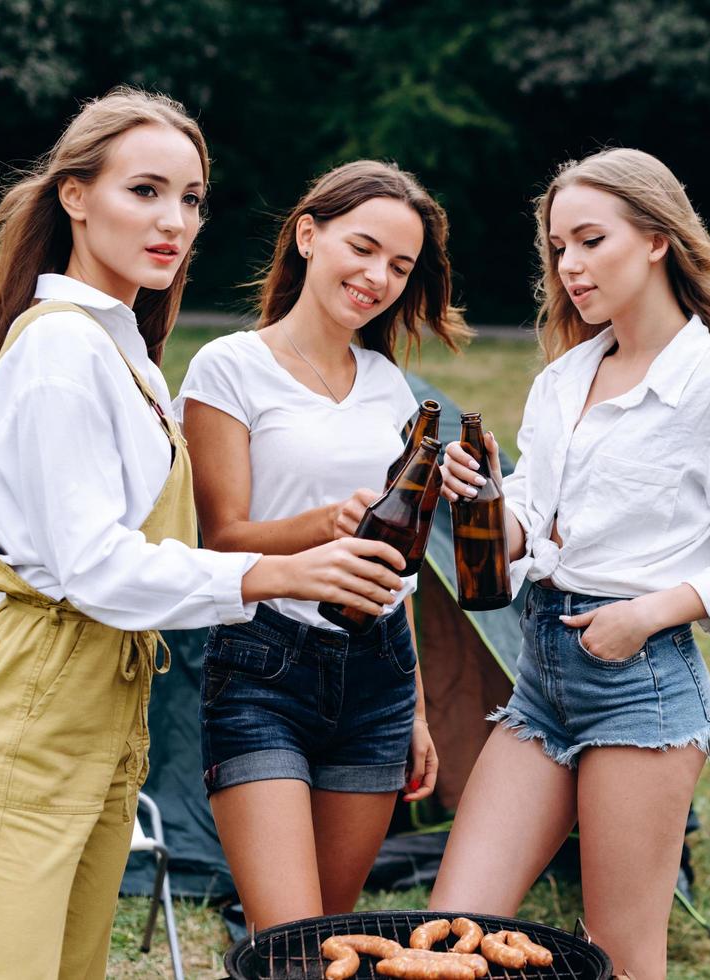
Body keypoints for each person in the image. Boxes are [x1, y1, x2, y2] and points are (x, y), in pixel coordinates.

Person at [0, 88, 406, 980]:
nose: (174, 221)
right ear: (75, 195)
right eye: (144, 191)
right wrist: (279, 573)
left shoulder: (126, 348)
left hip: (110, 697)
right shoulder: (61, 350)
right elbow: (94, 566)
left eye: (189, 199)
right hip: (36, 689)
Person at [428, 147, 710, 979]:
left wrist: (647, 612)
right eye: (559, 247)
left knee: (620, 959)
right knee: (453, 932)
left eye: (590, 240)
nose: (569, 266)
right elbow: (539, 511)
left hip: (641, 684)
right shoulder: (566, 375)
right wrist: (490, 505)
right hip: (540, 677)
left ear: (656, 239)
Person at [178, 159, 470, 928]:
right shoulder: (229, 367)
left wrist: (413, 710)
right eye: (364, 248)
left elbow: (395, 566)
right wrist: (327, 524)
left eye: (400, 266)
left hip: (378, 674)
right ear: (309, 235)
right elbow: (221, 539)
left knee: (332, 942)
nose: (378, 276)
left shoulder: (389, 386)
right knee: (288, 948)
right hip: (262, 668)